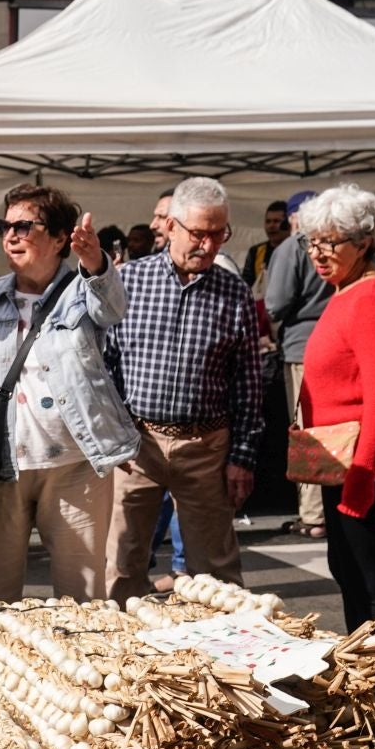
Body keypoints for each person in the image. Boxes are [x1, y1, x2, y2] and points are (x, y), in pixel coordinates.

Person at [0, 186, 135, 605]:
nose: (11, 236)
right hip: (3, 463)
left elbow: (112, 308)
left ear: (60, 238)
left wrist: (95, 263)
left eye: (25, 226)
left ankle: (82, 672)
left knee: (83, 599)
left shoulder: (82, 288)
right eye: (6, 226)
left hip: (75, 465)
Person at [103, 176, 263, 600]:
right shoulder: (130, 282)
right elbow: (105, 364)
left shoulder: (234, 293)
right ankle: (121, 656)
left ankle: (224, 656)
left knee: (217, 573)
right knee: (121, 562)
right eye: (200, 233)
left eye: (219, 234)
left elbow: (248, 383)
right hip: (137, 443)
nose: (209, 246)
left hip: (206, 446)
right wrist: (111, 436)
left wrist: (242, 458)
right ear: (170, 226)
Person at [295, 186, 375, 632]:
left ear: (364, 242)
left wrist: (364, 475)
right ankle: (369, 676)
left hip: (364, 463)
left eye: (330, 242)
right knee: (350, 572)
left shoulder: (373, 297)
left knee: (367, 581)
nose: (318, 253)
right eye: (312, 241)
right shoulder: (347, 290)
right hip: (341, 459)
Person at [265, 188, 330, 539]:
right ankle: (327, 510)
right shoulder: (331, 242)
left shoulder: (293, 247)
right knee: (330, 428)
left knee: (306, 431)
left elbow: (275, 303)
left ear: (293, 217)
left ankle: (313, 514)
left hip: (301, 347)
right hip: (332, 341)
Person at [241, 200, 290, 286]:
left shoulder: (297, 251)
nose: (271, 226)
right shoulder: (255, 252)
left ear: (288, 224)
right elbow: (246, 284)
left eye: (276, 221)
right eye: (268, 221)